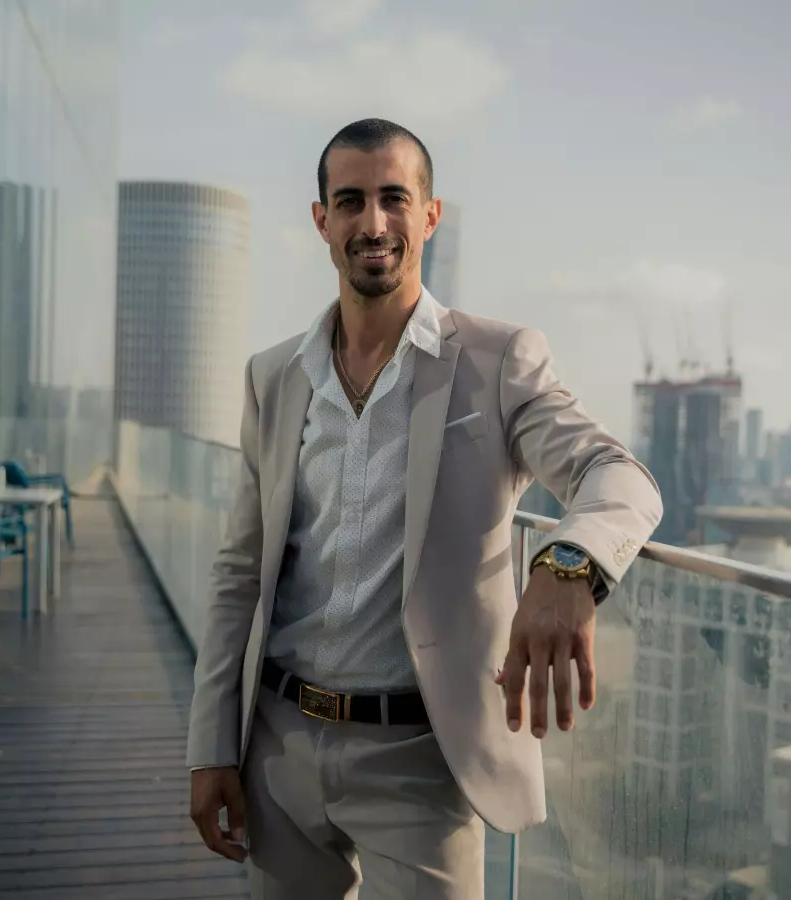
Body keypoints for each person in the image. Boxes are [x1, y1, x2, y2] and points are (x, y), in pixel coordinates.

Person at [187, 117, 663, 900]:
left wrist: (567, 564)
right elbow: (238, 572)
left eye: (393, 199)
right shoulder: (271, 376)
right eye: (349, 202)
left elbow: (618, 473)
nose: (373, 223)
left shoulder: (498, 360)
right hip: (276, 744)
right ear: (322, 222)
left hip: (420, 756)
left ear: (429, 214)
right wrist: (210, 749)